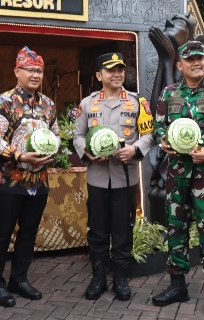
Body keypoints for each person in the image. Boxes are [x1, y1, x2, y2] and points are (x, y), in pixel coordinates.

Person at [151, 41, 204, 318]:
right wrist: (163, 142)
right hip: (176, 174)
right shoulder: (170, 93)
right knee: (175, 230)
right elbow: (158, 126)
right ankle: (178, 285)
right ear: (180, 65)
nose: (196, 63)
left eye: (200, 59)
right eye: (190, 60)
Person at [73, 52, 155, 301]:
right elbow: (76, 135)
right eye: (111, 70)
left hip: (125, 177)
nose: (117, 74)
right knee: (97, 230)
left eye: (120, 69)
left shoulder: (137, 102)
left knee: (123, 229)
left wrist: (135, 149)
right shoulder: (87, 104)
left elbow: (149, 133)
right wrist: (86, 151)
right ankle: (98, 277)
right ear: (99, 75)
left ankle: (120, 277)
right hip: (97, 177)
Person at [0, 46, 60, 307]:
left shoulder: (48, 104)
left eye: (39, 70)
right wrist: (19, 156)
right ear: (17, 71)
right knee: (2, 233)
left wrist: (53, 152)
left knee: (29, 232)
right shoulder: (3, 102)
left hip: (39, 181)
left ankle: (19, 279)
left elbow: (56, 135)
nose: (36, 74)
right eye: (30, 70)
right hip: (9, 179)